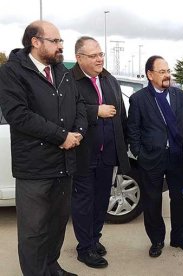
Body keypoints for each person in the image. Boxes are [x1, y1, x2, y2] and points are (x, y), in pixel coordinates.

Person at [0, 20, 87, 276]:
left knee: (57, 224)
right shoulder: (12, 72)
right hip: (35, 168)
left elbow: (79, 105)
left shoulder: (62, 71)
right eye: (55, 41)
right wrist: (62, 136)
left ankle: (52, 268)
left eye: (61, 41)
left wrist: (78, 134)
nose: (61, 46)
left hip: (64, 164)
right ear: (35, 42)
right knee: (34, 231)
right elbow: (19, 115)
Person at [127, 55, 183, 257]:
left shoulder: (179, 96)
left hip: (178, 156)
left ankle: (180, 238)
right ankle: (157, 241)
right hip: (151, 158)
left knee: (181, 199)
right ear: (150, 75)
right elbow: (133, 130)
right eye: (162, 72)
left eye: (168, 71)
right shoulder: (139, 99)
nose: (167, 75)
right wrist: (139, 154)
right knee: (152, 201)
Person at [70, 36, 130, 268]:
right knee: (83, 203)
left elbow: (121, 114)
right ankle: (84, 248)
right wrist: (96, 111)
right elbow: (63, 110)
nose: (99, 59)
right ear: (79, 58)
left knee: (101, 200)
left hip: (108, 154)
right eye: (93, 55)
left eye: (101, 54)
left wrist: (123, 146)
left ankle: (94, 239)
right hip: (83, 154)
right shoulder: (70, 80)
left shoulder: (109, 79)